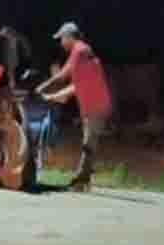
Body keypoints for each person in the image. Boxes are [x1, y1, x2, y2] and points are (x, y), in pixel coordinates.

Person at [35, 22, 113, 192]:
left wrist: (40, 88)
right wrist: (53, 96)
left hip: (95, 106)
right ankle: (84, 181)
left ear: (69, 37)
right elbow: (75, 87)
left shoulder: (79, 51)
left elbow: (61, 77)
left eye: (62, 39)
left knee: (88, 145)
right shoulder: (83, 52)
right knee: (89, 143)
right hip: (93, 105)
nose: (61, 43)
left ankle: (80, 180)